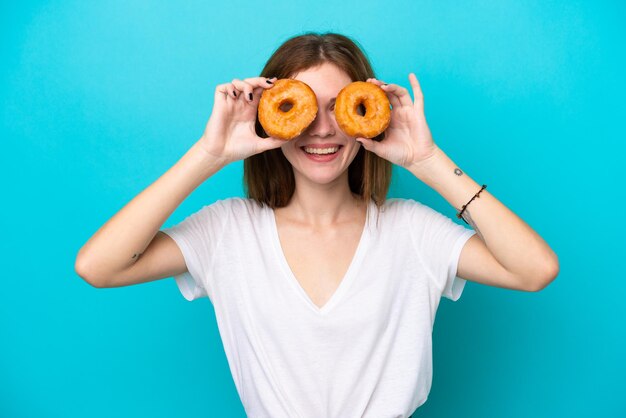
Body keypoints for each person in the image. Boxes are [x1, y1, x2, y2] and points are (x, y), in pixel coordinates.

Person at [75, 32, 559, 418]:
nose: (323, 129)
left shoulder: (410, 231)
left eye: (338, 108)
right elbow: (99, 266)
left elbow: (534, 270)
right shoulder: (229, 232)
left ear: (368, 114)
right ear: (271, 116)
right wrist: (210, 153)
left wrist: (429, 161)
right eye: (304, 108)